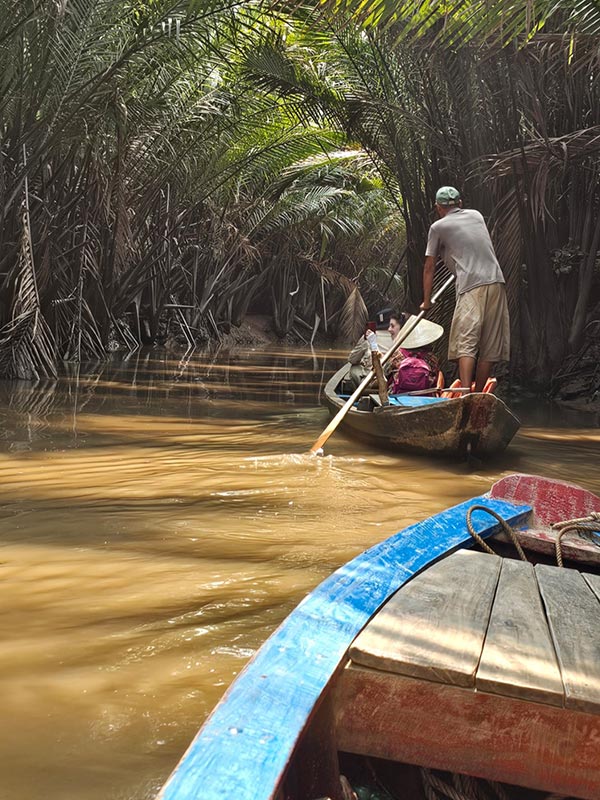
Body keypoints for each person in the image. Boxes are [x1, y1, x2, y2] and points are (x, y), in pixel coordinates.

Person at [420, 186, 510, 393]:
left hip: (471, 286)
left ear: (438, 207)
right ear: (460, 204)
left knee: (466, 342)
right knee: (489, 344)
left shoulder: (437, 227)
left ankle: (466, 393)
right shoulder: (476, 215)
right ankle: (478, 394)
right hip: (496, 281)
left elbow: (429, 267)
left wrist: (426, 301)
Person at [386, 313, 442, 394]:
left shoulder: (396, 355)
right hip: (425, 397)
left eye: (392, 326)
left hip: (397, 396)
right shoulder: (431, 359)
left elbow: (384, 374)